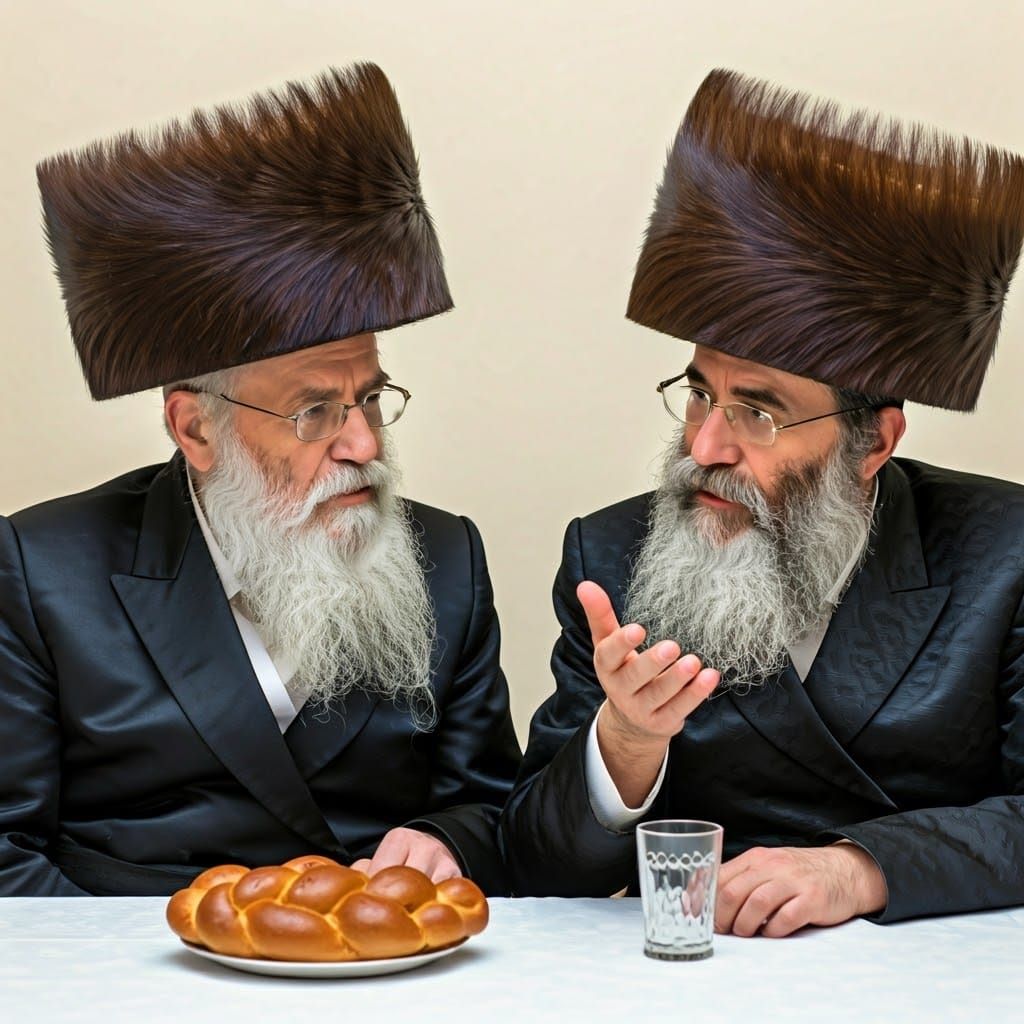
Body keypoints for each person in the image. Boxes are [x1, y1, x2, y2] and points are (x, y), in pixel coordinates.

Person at [501, 69, 1024, 932]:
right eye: (700, 392)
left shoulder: (1004, 554)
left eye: (760, 410)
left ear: (876, 443)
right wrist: (628, 743)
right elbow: (530, 865)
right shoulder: (613, 554)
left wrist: (860, 868)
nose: (705, 447)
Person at [0, 64, 521, 897]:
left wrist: (443, 840)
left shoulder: (445, 558)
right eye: (314, 410)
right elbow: (5, 855)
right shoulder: (40, 569)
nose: (362, 443)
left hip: (373, 979)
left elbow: (494, 812)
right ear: (194, 428)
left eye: (370, 398)